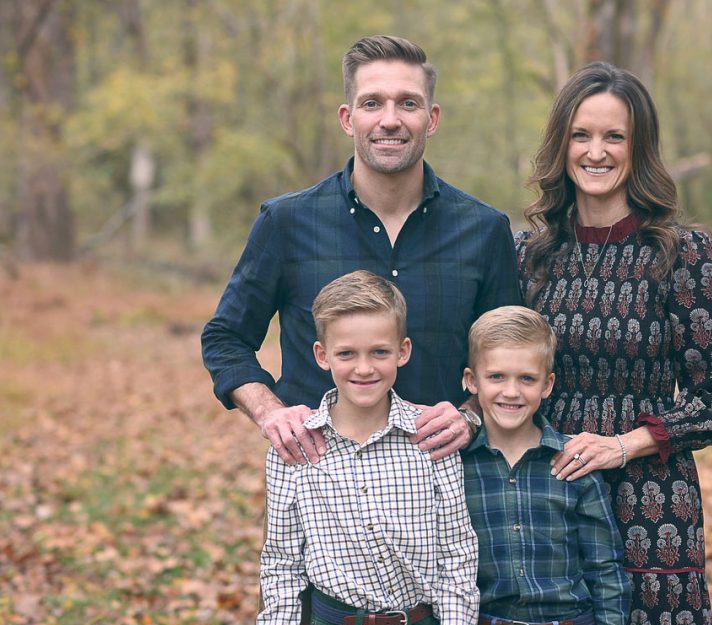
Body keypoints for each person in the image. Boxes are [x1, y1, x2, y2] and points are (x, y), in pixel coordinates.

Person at [514, 62, 712, 625]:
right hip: (547, 496)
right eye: (581, 136)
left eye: (614, 137)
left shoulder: (684, 255)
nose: (596, 152)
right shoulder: (529, 256)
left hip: (649, 506)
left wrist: (624, 445)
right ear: (561, 145)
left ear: (638, 148)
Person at [201, 34, 519, 465]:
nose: (390, 120)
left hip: (446, 487)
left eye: (408, 103)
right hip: (318, 486)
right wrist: (269, 411)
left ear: (433, 118)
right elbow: (226, 338)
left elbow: (511, 358)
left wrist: (472, 416)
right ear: (348, 118)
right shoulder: (287, 222)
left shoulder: (484, 230)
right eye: (372, 104)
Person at [257, 270, 480, 625]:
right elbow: (281, 567)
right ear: (322, 355)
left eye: (380, 352)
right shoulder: (295, 448)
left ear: (403, 351)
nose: (364, 368)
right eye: (346, 354)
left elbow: (458, 557)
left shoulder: (430, 437)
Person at [461, 306, 631, 625]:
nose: (511, 391)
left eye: (526, 378)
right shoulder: (457, 466)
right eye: (496, 377)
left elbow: (605, 568)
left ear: (547, 384)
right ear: (472, 381)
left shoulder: (574, 464)